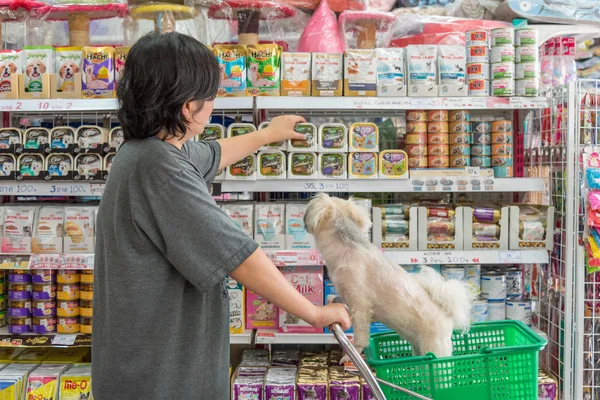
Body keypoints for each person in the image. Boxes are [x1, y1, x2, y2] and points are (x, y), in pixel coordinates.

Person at [92, 32, 351, 399]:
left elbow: (213, 152)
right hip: (159, 377)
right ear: (188, 107)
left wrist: (266, 135)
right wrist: (314, 312)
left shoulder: (146, 151)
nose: (214, 104)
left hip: (141, 362)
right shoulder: (159, 170)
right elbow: (239, 257)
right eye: (211, 96)